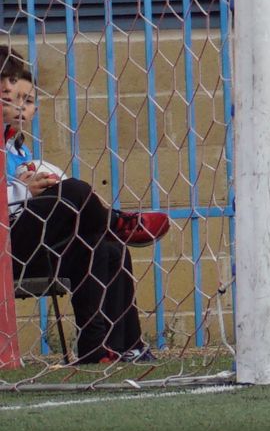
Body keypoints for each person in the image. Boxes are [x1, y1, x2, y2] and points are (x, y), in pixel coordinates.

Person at [2, 50, 166, 364]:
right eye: (9, 94)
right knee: (74, 191)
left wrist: (34, 185)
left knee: (105, 248)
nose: (18, 105)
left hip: (27, 248)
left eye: (27, 99)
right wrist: (24, 190)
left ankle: (109, 347)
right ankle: (116, 221)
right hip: (5, 251)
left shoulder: (20, 152)